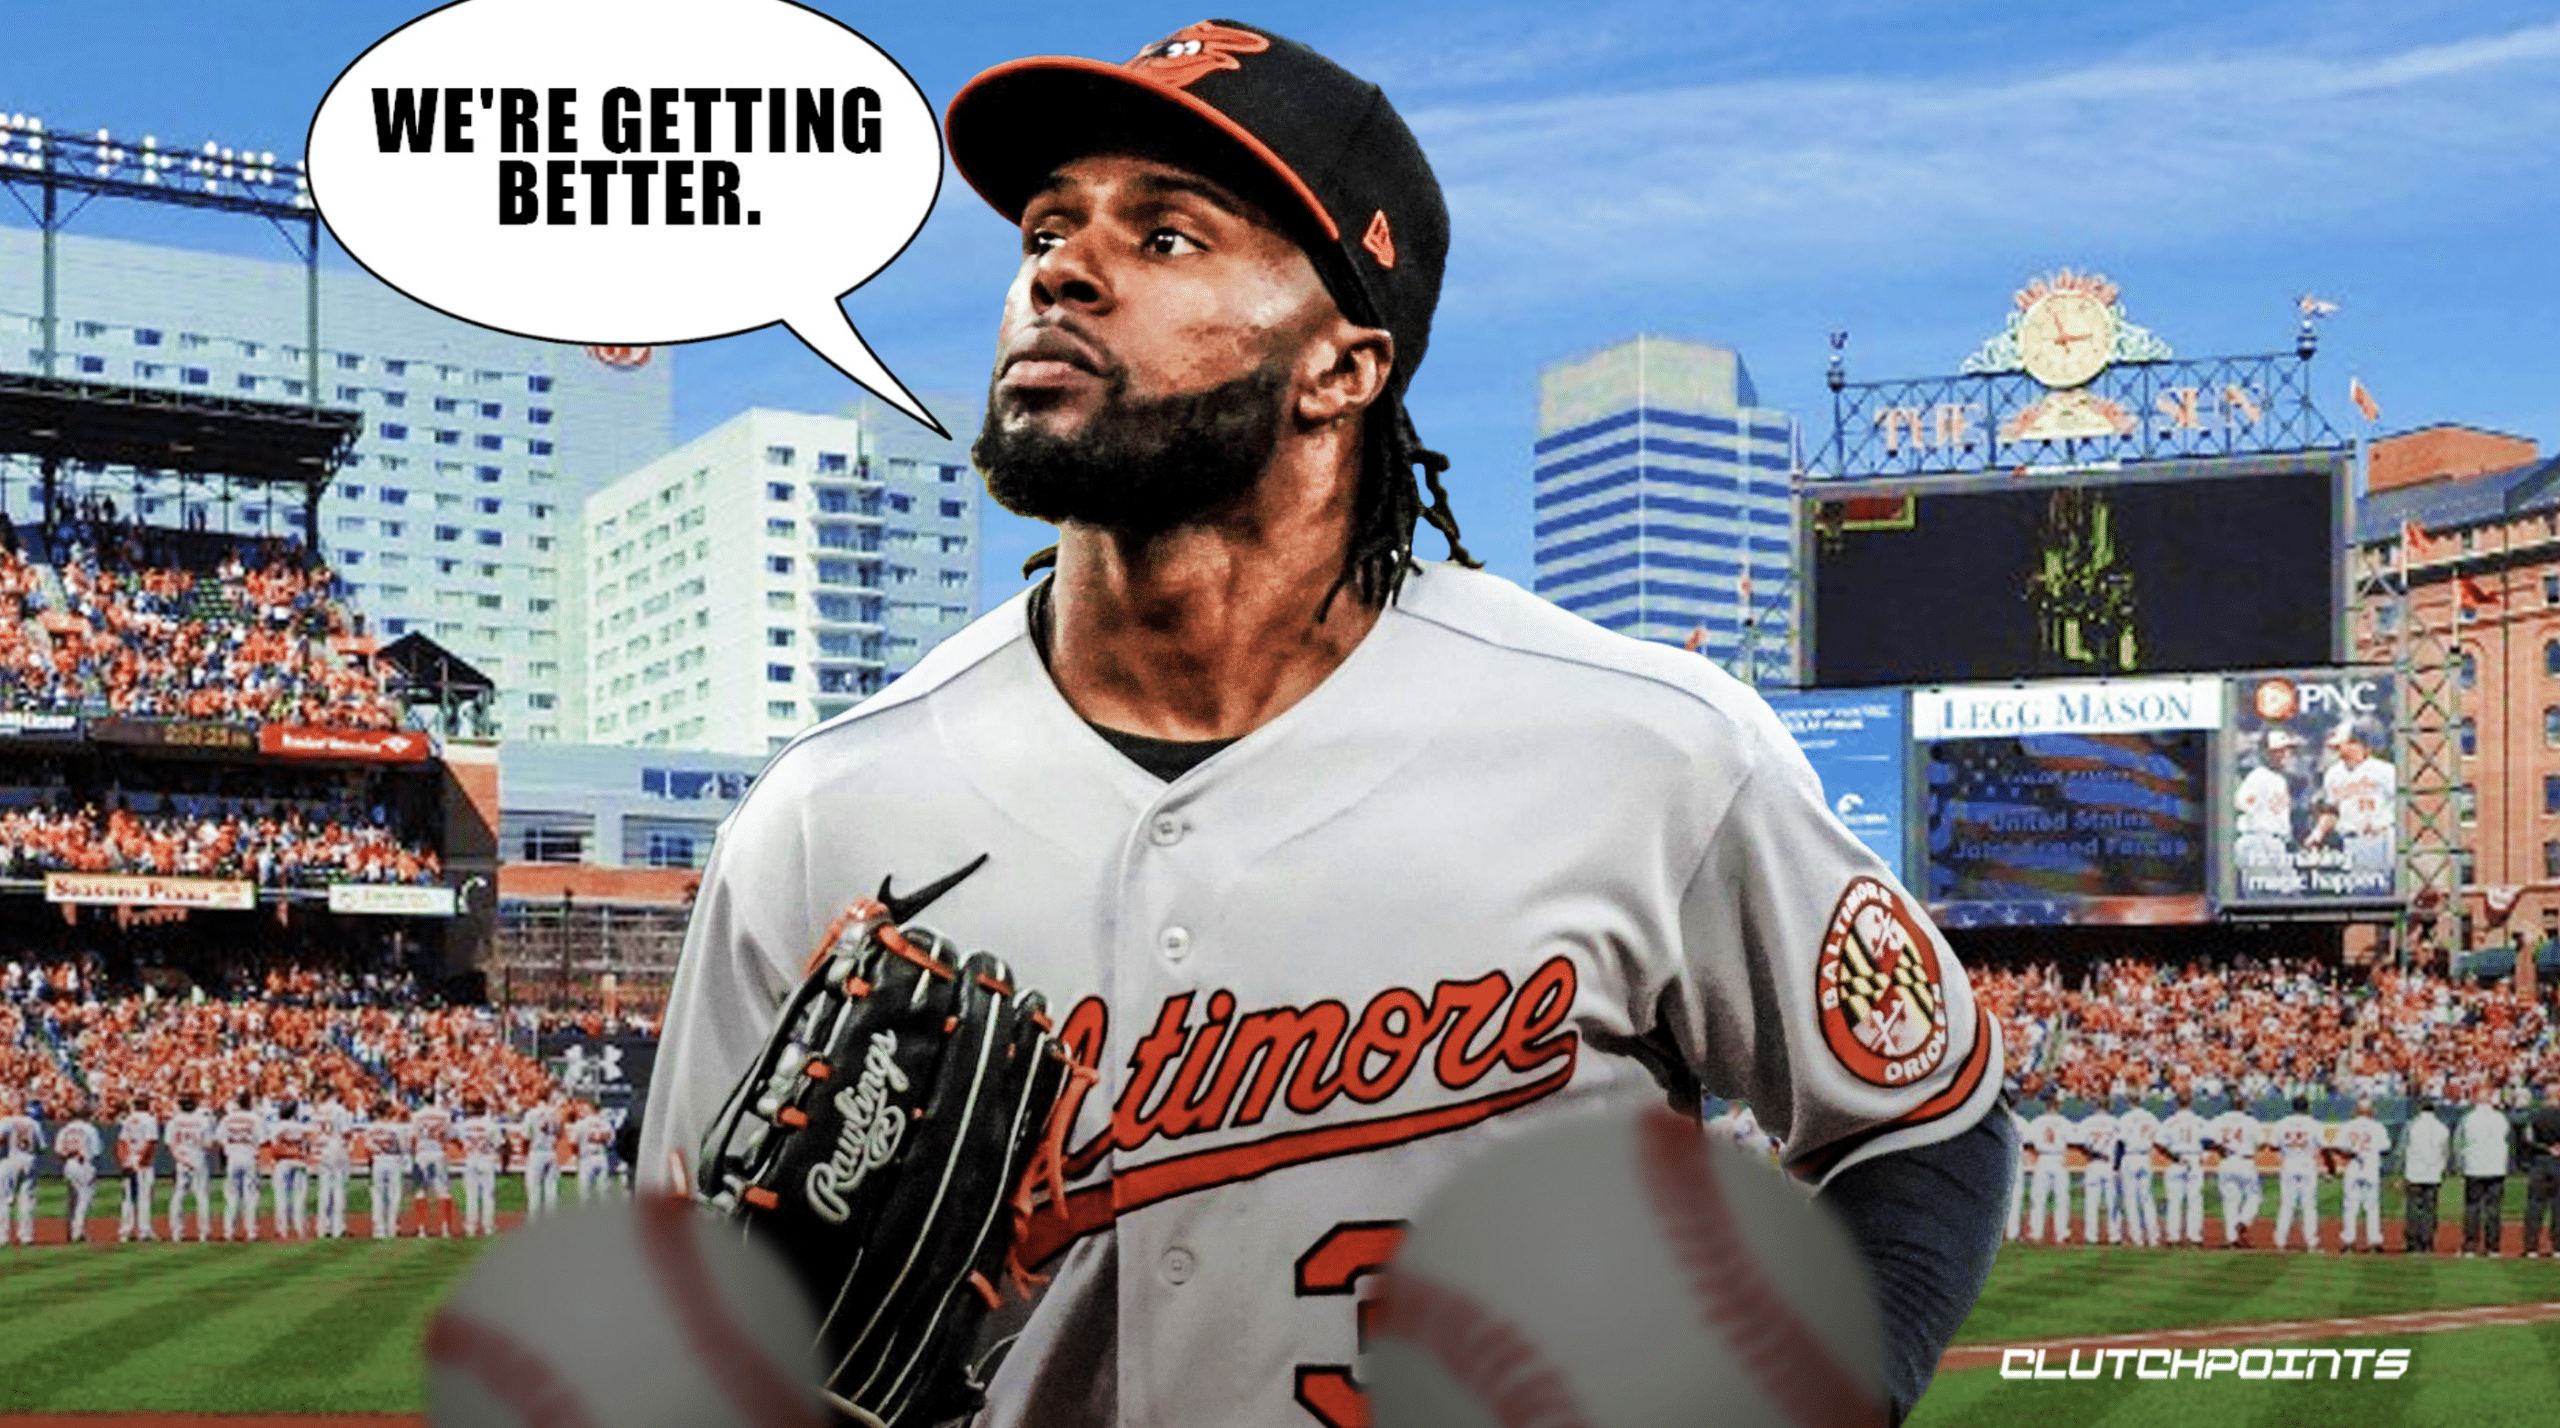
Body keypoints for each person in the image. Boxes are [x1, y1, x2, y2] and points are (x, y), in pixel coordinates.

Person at [639, 19, 2013, 1425]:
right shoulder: (833, 809)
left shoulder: (1643, 748)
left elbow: (1921, 1113)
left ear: (1342, 369)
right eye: (1050, 226)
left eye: (1167, 236)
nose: (1061, 267)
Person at [2307, 722, 2397, 895]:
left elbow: (2402, 804)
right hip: (2350, 841)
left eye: (2341, 744)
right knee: (2358, 895)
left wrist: (2386, 822)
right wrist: (2318, 833)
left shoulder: (2384, 771)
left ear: (2356, 743)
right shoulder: (2333, 774)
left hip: (2380, 838)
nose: (2336, 749)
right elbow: (2332, 811)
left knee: (2383, 895)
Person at [2234, 729, 2305, 897]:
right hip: (2259, 841)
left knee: (2291, 896)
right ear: (2267, 753)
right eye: (2279, 751)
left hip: (2275, 843)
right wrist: (2259, 820)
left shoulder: (2279, 779)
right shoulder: (2258, 776)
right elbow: (2240, 803)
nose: (2285, 755)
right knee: (2265, 899)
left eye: (2288, 750)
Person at [2457, 1087, 2513, 1258]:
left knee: (2473, 1207)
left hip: (2474, 1168)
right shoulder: (2500, 1118)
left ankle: (2470, 1246)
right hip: (2496, 1168)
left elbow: (2459, 1142)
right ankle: (2493, 1247)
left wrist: (2461, 1164)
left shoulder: (2468, 1118)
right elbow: (2507, 1139)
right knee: (2493, 1209)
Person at [2268, 1095, 2327, 1252]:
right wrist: (2328, 1168)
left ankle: (2280, 1241)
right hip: (2307, 1164)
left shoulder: (2281, 1124)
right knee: (2308, 1206)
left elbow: (2272, 1146)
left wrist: (2285, 1153)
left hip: (2289, 1164)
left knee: (2287, 1204)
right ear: (2307, 1107)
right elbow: (2323, 1147)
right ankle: (2311, 1242)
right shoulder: (2314, 1124)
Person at [2207, 1101, 2264, 1247]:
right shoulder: (2250, 1121)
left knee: (2230, 1202)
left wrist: (2220, 1149)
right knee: (2254, 1196)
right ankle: (2243, 1221)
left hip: (2227, 1162)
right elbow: (2262, 1143)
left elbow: (2206, 1141)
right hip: (2246, 1161)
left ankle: (2232, 1239)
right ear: (2243, 1106)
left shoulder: (2220, 1119)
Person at [2336, 1097, 2390, 1252]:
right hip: (2371, 1167)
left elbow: (2340, 1147)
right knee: (2372, 1207)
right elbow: (2386, 1147)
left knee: (2350, 1206)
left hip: (2353, 1167)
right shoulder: (2377, 1127)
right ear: (2370, 1111)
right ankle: (2374, 1241)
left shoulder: (2347, 1126)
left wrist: (2353, 1151)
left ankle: (2348, 1241)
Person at [2159, 1088, 2209, 1246]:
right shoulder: (2200, 1121)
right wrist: (2203, 1156)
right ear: (2192, 1102)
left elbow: (2159, 1144)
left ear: (2176, 1103)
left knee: (2174, 1200)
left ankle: (2173, 1236)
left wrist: (2174, 1158)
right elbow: (2208, 1141)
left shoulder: (2169, 1121)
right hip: (2194, 1158)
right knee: (2195, 1199)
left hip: (2176, 1159)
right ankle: (2194, 1237)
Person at [2402, 1097, 2450, 1254]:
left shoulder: (2411, 1125)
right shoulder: (2442, 1128)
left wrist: (2399, 1171)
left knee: (2413, 1208)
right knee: (2430, 1209)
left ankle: (2414, 1242)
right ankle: (2427, 1241)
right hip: (2434, 1174)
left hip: (2414, 1173)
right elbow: (2446, 1152)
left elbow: (2402, 1149)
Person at [165, 1093, 213, 1243]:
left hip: (181, 1158)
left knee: (178, 1195)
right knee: (202, 1196)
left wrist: (179, 1158)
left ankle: (176, 1233)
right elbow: (209, 1144)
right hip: (197, 1158)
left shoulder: (173, 1121)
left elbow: (170, 1144)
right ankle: (203, 1233)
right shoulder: (203, 1121)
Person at [216, 1091, 264, 1241]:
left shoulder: (227, 1119)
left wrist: (228, 1149)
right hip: (249, 1157)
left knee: (232, 1196)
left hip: (233, 1158)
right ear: (249, 1102)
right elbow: (262, 1141)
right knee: (251, 1196)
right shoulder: (255, 1118)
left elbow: (219, 1139)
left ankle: (228, 1232)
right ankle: (251, 1232)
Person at [2115, 1095, 2162, 1248]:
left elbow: (2120, 1143)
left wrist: (2116, 1166)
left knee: (2131, 1199)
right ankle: (2154, 1237)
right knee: (2147, 1198)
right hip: (2145, 1157)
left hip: (2130, 1156)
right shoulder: (2151, 1117)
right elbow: (2157, 1140)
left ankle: (2137, 1238)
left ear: (2129, 1101)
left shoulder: (2126, 1118)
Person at [2521, 1087, 2560, 1257]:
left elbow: (2527, 1140)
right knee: (2558, 1205)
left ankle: (2531, 1247)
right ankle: (2558, 1247)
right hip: (2558, 1162)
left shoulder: (2534, 1115)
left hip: (2540, 1161)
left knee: (2535, 1204)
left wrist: (2545, 1148)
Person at [363, 1099, 409, 1240]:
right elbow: (403, 1146)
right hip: (393, 1160)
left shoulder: (371, 1127)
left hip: (378, 1160)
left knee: (378, 1195)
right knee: (394, 1195)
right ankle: (392, 1226)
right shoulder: (396, 1127)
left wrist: (377, 1153)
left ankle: (379, 1228)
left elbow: (368, 1146)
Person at [115, 1093, 159, 1243]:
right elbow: (151, 1143)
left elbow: (121, 1142)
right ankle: (144, 1231)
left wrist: (125, 1161)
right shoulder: (149, 1120)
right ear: (146, 1104)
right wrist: (142, 1162)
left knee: (128, 1198)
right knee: (144, 1197)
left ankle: (125, 1231)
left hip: (130, 1158)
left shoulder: (128, 1119)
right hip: (142, 1161)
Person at [455, 1097, 501, 1238]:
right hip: (486, 1159)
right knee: (488, 1195)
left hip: (471, 1159)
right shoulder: (491, 1124)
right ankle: (488, 1226)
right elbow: (498, 1143)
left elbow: (458, 1141)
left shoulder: (463, 1124)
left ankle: (471, 1227)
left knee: (471, 1195)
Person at [55, 1109, 101, 1245]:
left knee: (72, 1200)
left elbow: (59, 1152)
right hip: (84, 1164)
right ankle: (77, 1232)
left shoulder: (65, 1129)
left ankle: (70, 1230)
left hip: (69, 1165)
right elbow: (96, 1151)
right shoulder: (89, 1129)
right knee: (84, 1198)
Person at [2080, 1101, 2123, 1244]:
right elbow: (2120, 1145)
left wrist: (2094, 1155)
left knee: (2091, 1201)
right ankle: (2114, 1235)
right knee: (2112, 1201)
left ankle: (2091, 1236)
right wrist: (2117, 1167)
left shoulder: (2086, 1122)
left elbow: (2081, 1145)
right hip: (2109, 1164)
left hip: (2093, 1164)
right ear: (2109, 1106)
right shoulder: (2115, 1122)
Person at [0, 1094, 41, 1246]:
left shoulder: (6, 1121)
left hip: (10, 1160)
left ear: (12, 1105)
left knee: (3, 1200)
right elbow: (41, 1147)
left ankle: (2, 1237)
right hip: (29, 1160)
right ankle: (26, 1236)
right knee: (27, 1200)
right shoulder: (33, 1123)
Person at [268, 1099, 312, 1240]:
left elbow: (273, 1148)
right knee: (299, 1198)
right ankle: (301, 1231)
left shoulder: (277, 1127)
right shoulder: (302, 1127)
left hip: (282, 1163)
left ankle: (282, 1231)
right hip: (299, 1162)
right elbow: (308, 1145)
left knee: (281, 1197)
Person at [518, 1094, 562, 1222]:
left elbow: (525, 1136)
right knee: (551, 1188)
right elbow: (559, 1133)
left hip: (537, 1151)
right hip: (551, 1151)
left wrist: (524, 1152)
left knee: (534, 1188)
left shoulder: (532, 1113)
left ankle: (535, 1220)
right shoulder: (556, 1114)